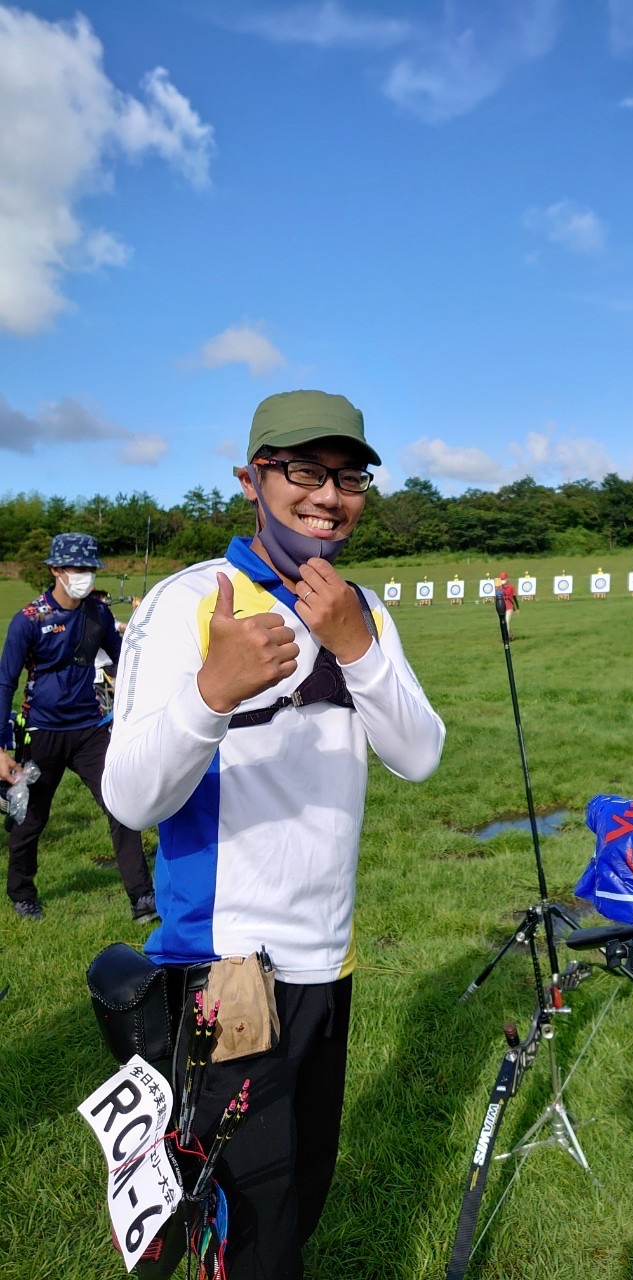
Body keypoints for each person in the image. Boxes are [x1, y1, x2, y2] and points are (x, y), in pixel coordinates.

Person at [102, 389, 445, 1280]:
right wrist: (211, 693)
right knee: (245, 1237)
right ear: (252, 479)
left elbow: (420, 755)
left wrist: (357, 646)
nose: (327, 496)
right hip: (228, 975)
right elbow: (131, 796)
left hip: (328, 964)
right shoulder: (187, 603)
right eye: (303, 472)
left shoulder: (362, 609)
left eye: (348, 477)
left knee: (298, 1206)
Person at [0, 533, 156, 922]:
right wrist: (1, 748)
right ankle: (22, 894)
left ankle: (142, 898)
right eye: (76, 568)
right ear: (56, 570)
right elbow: (5, 681)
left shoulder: (98, 614)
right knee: (30, 817)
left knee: (121, 806)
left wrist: (139, 708)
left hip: (91, 729)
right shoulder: (29, 620)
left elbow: (123, 663)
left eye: (89, 568)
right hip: (42, 732)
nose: (84, 576)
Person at [498, 571, 518, 636]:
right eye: (501, 579)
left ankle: (506, 637)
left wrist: (517, 608)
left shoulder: (511, 587)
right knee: (504, 622)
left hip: (509, 607)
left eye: (503, 579)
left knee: (506, 621)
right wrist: (498, 586)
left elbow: (514, 598)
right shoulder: (499, 587)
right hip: (502, 607)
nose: (502, 580)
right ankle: (511, 635)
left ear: (507, 579)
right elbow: (497, 596)